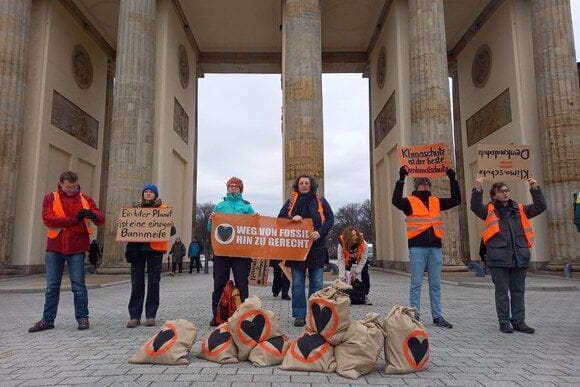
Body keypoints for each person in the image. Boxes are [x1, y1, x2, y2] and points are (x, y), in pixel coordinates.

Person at [29, 170, 105, 333]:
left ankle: (83, 318)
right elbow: (48, 218)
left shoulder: (85, 199)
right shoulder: (51, 197)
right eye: (68, 186)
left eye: (74, 186)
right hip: (55, 247)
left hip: (77, 247)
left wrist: (92, 214)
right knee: (52, 286)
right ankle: (48, 320)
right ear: (61, 184)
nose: (71, 189)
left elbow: (101, 218)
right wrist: (73, 221)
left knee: (78, 285)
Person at [470, 176, 546, 334]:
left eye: (506, 190)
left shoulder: (520, 209)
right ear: (494, 195)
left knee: (518, 291)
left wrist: (534, 188)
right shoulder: (489, 210)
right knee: (502, 291)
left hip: (519, 255)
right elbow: (475, 207)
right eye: (501, 191)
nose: (505, 193)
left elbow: (540, 206)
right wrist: (477, 188)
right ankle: (504, 321)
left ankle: (519, 321)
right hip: (499, 257)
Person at [392, 166, 460, 328]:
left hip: (435, 247)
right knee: (416, 283)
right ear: (416, 186)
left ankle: (437, 316)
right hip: (418, 247)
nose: (426, 185)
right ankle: (414, 315)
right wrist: (401, 179)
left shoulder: (435, 201)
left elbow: (456, 200)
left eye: (428, 183)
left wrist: (453, 180)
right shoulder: (409, 202)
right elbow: (395, 201)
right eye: (423, 183)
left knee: (435, 284)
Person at [278, 175, 334, 327]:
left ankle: (315, 314)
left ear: (311, 185)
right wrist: (291, 218)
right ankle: (300, 315)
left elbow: (330, 219)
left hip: (317, 247)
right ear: (297, 185)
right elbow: (279, 220)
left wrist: (320, 232)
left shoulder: (320, 200)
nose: (304, 185)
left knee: (316, 282)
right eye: (301, 183)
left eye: (306, 183)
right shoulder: (291, 202)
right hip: (297, 249)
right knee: (297, 284)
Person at [125, 184, 175, 328]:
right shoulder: (134, 209)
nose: (148, 194)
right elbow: (127, 228)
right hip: (137, 250)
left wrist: (168, 226)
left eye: (151, 192)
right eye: (145, 191)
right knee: (137, 283)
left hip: (154, 251)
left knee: (154, 283)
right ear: (143, 194)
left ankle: (150, 315)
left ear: (155, 195)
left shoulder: (163, 210)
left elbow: (171, 232)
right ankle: (134, 316)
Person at [208, 177, 256, 326]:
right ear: (227, 188)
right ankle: (217, 315)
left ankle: (243, 314)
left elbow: (254, 229)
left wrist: (256, 220)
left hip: (241, 252)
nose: (233, 188)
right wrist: (211, 220)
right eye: (231, 186)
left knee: (242, 283)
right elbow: (211, 229)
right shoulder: (220, 206)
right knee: (219, 283)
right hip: (222, 252)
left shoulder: (247, 207)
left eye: (236, 186)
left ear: (241, 189)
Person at [337, 227, 371, 304]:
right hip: (348, 258)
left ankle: (365, 295)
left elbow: (363, 259)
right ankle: (344, 294)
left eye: (356, 234)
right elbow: (341, 260)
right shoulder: (341, 244)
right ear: (348, 237)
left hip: (360, 257)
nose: (356, 237)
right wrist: (342, 276)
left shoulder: (363, 244)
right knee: (345, 275)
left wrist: (356, 272)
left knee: (365, 273)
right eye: (353, 235)